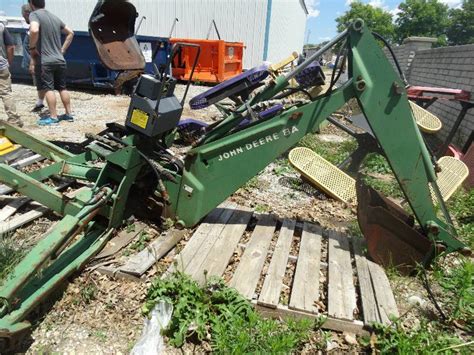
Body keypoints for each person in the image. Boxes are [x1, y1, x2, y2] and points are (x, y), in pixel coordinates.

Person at [28, 0, 74, 126]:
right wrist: (62, 50)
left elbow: (34, 30)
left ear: (31, 3)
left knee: (48, 88)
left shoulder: (35, 14)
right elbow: (71, 33)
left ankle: (53, 117)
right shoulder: (54, 17)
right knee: (62, 88)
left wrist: (32, 47)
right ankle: (69, 114)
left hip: (46, 61)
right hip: (60, 59)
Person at [21, 4, 45, 113]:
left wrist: (32, 62)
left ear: (27, 14)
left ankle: (41, 103)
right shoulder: (34, 26)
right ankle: (40, 102)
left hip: (38, 61)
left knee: (42, 83)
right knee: (40, 83)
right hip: (38, 60)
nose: (23, 17)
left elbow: (34, 46)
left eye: (23, 15)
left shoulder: (34, 27)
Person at [0, 21, 24, 127]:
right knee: (6, 93)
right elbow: (11, 47)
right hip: (1, 65)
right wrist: (8, 62)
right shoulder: (1, 27)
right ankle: (14, 120)